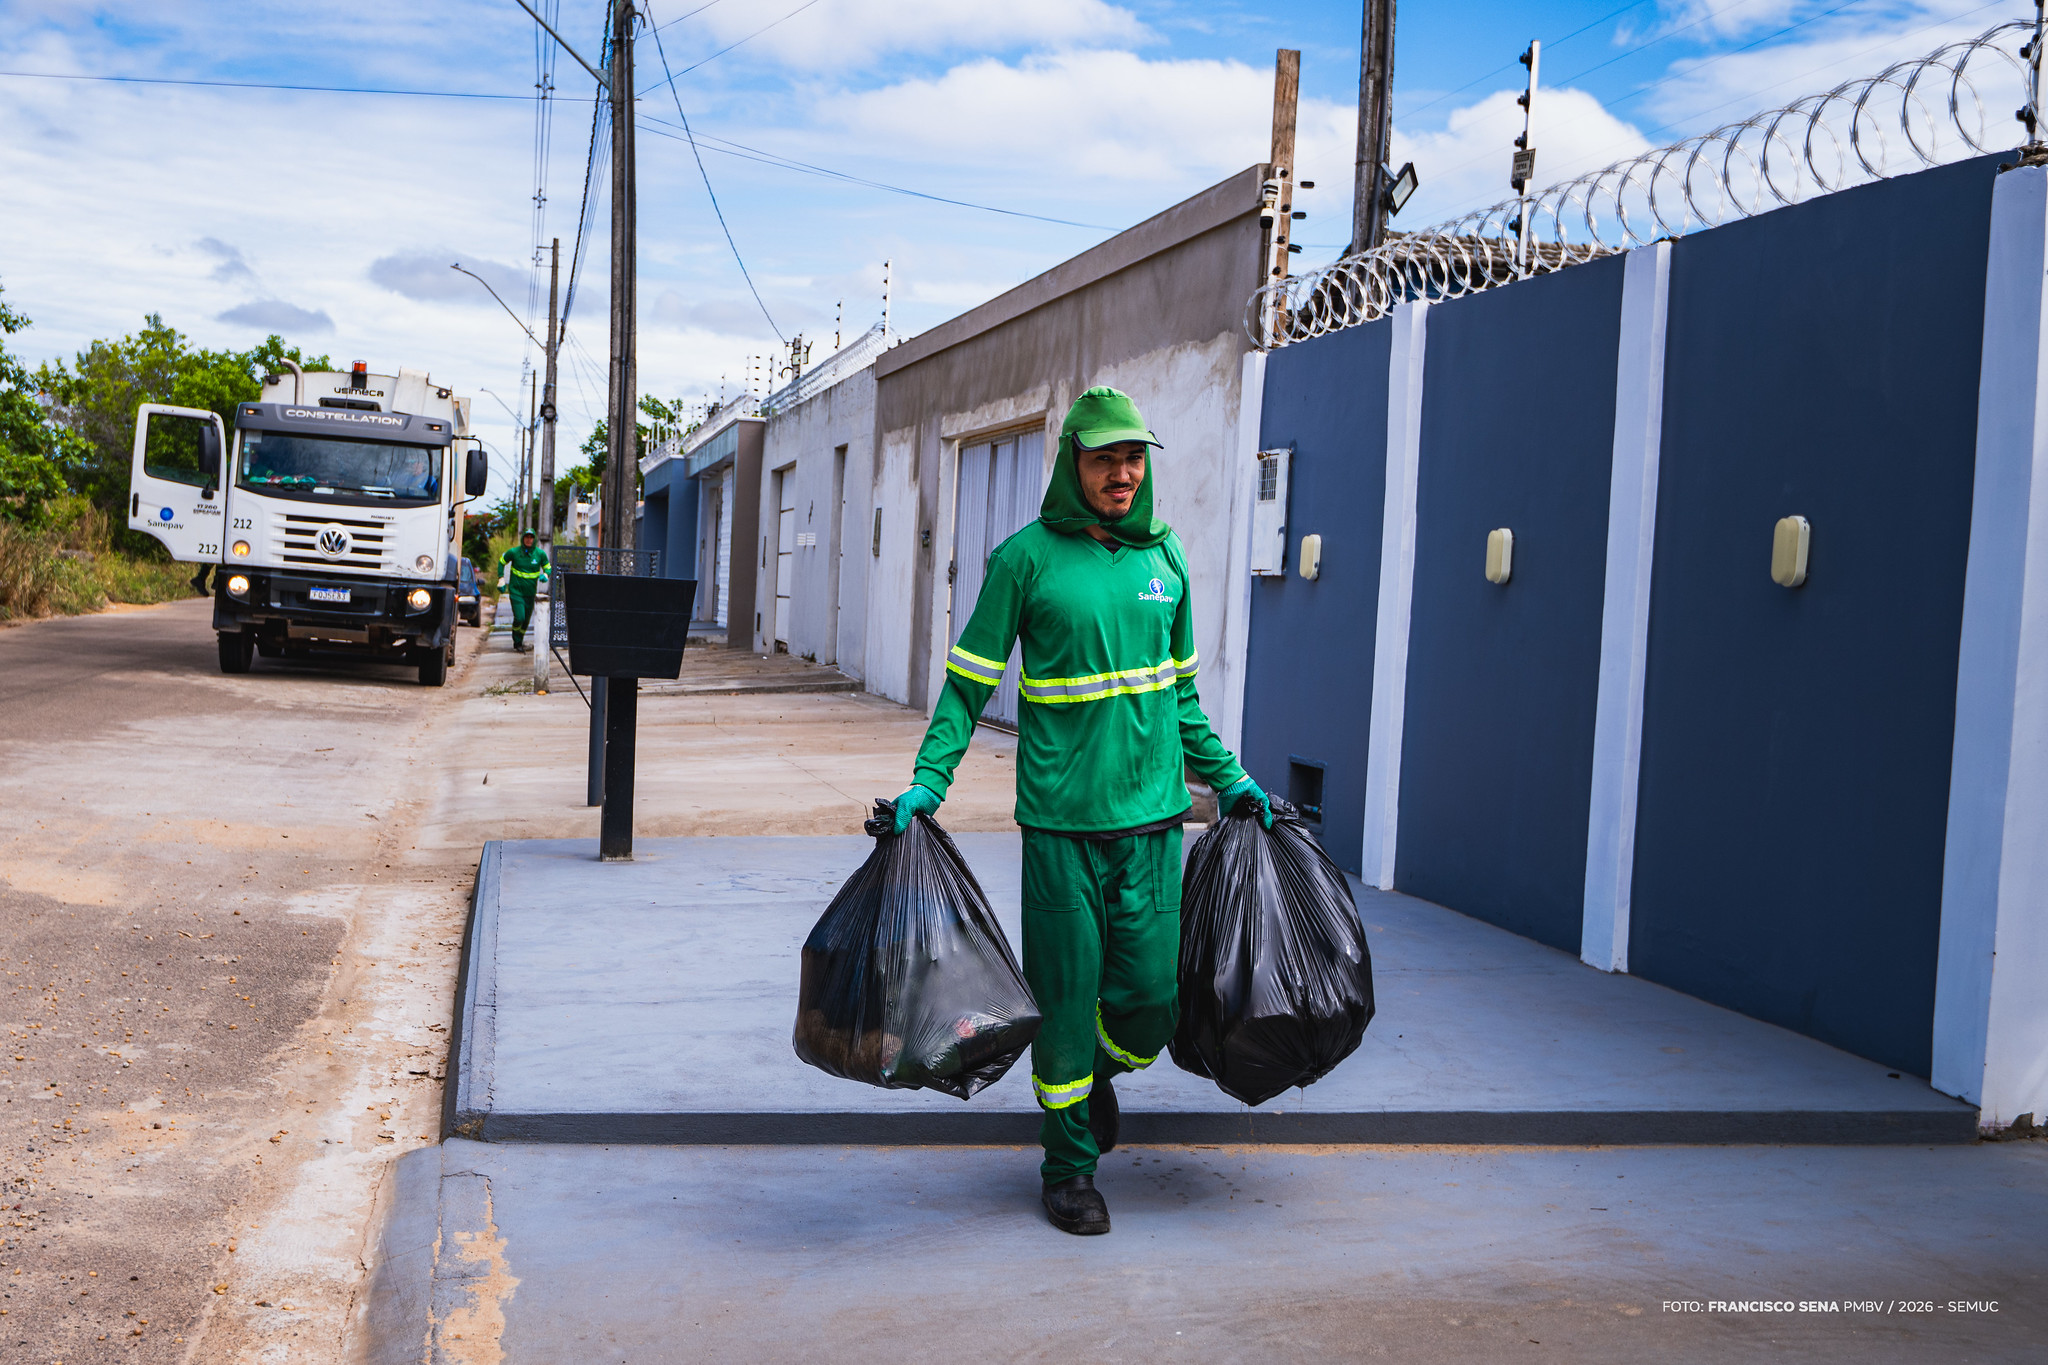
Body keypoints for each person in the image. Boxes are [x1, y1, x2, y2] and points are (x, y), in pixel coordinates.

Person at [892, 386, 1271, 1237]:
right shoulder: (1023, 561)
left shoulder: (1164, 563)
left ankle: (1091, 1075)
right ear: (1073, 464)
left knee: (1150, 1003)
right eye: (1105, 458)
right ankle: (1068, 1169)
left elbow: (1182, 702)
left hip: (1154, 826)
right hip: (1062, 831)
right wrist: (928, 782)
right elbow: (966, 686)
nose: (1123, 474)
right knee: (1065, 1006)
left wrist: (1233, 780)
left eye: (1134, 457)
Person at [497, 531, 549, 651]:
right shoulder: (514, 552)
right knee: (519, 617)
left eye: (531, 537)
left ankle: (520, 640)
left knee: (525, 621)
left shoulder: (540, 554)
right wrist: (501, 579)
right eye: (526, 537)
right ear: (523, 538)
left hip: (530, 594)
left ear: (534, 539)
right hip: (516, 592)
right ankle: (517, 641)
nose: (529, 540)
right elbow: (501, 562)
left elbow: (548, 567)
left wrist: (546, 575)